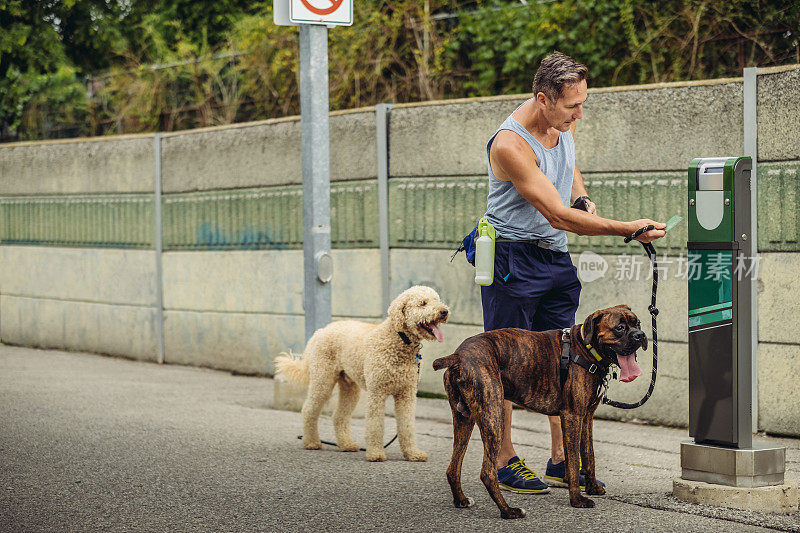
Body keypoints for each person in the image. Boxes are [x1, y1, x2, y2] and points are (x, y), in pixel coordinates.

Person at [480, 51, 666, 494]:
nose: (579, 113)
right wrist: (627, 229)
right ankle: (504, 460)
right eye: (571, 106)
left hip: (554, 257)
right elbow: (557, 215)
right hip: (513, 259)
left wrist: (581, 194)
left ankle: (563, 461)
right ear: (543, 98)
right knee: (508, 363)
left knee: (567, 358)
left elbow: (570, 168)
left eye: (583, 102)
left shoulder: (563, 120)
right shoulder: (510, 145)